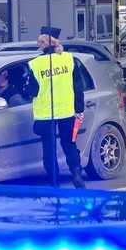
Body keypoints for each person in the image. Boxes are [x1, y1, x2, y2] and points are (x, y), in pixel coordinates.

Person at [25, 28, 85, 189]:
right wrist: (79, 109)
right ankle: (76, 172)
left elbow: (32, 91)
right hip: (67, 111)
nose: (39, 44)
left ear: (44, 43)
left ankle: (54, 182)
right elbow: (78, 86)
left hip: (46, 115)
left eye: (39, 42)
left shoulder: (36, 64)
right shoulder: (69, 59)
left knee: (49, 148)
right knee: (69, 144)